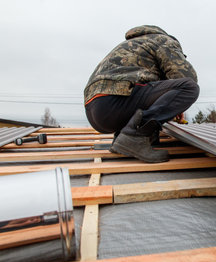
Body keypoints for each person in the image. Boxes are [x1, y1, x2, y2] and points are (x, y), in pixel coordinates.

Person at [84, 25, 199, 163]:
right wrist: (176, 101)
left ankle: (122, 138)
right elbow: (184, 75)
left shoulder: (131, 45)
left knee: (140, 85)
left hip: (94, 110)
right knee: (189, 87)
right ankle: (134, 136)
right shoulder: (163, 40)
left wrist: (169, 100)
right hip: (116, 100)